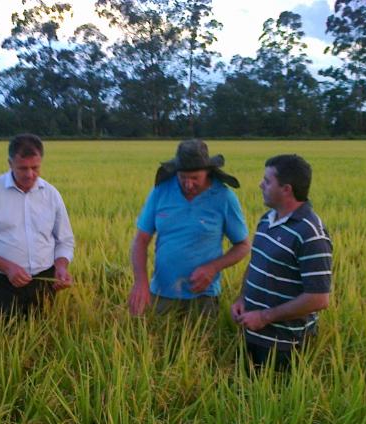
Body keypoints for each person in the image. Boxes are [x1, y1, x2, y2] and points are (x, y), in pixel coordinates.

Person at [231, 154, 332, 371]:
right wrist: (242, 298)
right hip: (252, 331)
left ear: (286, 189)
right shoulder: (267, 219)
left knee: (275, 401)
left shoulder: (310, 234)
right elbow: (257, 262)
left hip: (285, 345)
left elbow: (319, 299)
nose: (261, 185)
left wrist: (265, 317)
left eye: (267, 181)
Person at [128, 139, 250, 317]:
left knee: (203, 342)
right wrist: (141, 282)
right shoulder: (161, 191)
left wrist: (213, 268)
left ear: (208, 172)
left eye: (195, 178)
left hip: (204, 297)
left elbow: (243, 245)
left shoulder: (224, 197)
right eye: (183, 177)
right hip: (161, 293)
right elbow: (141, 240)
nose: (188, 184)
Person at [0, 133, 75, 319]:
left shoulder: (51, 194)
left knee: (45, 337)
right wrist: (7, 267)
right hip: (2, 285)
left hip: (44, 283)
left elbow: (65, 240)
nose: (30, 174)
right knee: (2, 341)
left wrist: (61, 266)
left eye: (35, 168)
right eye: (23, 168)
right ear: (10, 163)